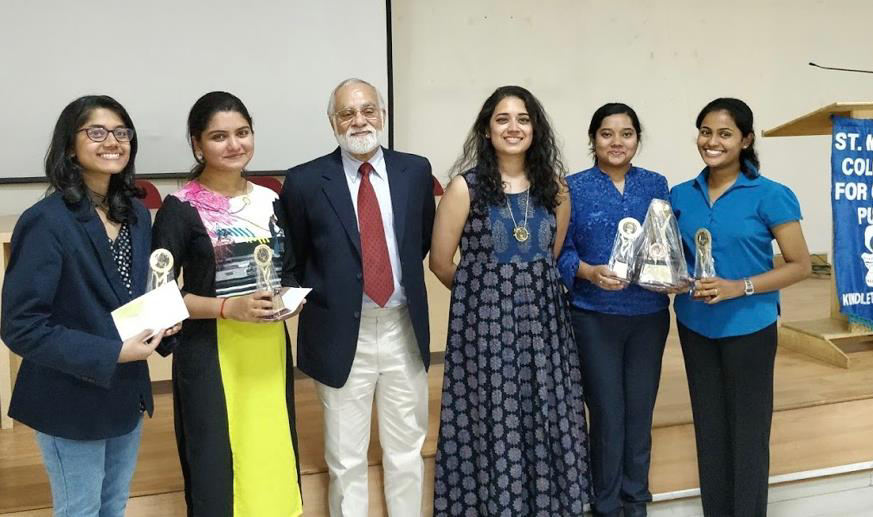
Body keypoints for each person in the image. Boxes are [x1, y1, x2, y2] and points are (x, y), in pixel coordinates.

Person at [1, 95, 175, 516]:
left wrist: (165, 321)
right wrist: (113, 352)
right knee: (79, 510)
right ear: (69, 147)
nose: (112, 141)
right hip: (70, 397)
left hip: (125, 394)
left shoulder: (136, 212)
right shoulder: (46, 220)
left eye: (121, 132)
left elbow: (136, 293)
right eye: (96, 132)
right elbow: (20, 325)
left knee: (113, 505)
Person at [429, 85, 591, 516]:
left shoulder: (554, 189)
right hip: (485, 333)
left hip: (545, 329)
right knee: (493, 420)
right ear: (486, 129)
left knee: (546, 414)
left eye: (522, 119)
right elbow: (442, 263)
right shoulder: (464, 188)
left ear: (535, 129)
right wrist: (484, 299)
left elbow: (549, 256)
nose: (513, 127)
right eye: (502, 119)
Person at [278, 78, 436, 517]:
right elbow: (297, 253)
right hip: (342, 332)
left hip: (403, 325)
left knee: (407, 447)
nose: (358, 120)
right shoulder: (306, 181)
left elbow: (419, 239)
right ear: (333, 123)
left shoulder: (416, 171)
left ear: (382, 116)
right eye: (347, 113)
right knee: (345, 457)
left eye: (367, 110)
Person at [151, 91, 302, 517]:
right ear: (197, 144)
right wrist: (225, 308)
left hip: (267, 348)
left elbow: (288, 271)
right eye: (219, 136)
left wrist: (292, 301)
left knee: (270, 452)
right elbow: (158, 298)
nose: (234, 145)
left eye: (243, 133)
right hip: (209, 353)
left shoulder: (272, 199)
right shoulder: (179, 208)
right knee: (216, 464)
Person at [670, 97, 811, 517]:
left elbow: (800, 265)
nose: (712, 142)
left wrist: (739, 287)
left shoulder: (771, 195)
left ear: (746, 140)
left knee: (748, 434)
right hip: (696, 326)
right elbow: (675, 260)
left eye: (725, 133)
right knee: (710, 430)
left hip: (750, 327)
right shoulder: (681, 195)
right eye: (706, 132)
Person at [557, 102, 670, 517]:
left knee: (640, 411)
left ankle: (635, 500)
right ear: (593, 139)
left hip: (648, 315)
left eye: (626, 134)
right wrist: (586, 271)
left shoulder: (656, 184)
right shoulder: (571, 187)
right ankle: (604, 503)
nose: (617, 142)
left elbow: (666, 244)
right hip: (593, 315)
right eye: (607, 134)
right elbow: (559, 252)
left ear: (637, 139)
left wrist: (672, 272)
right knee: (606, 413)